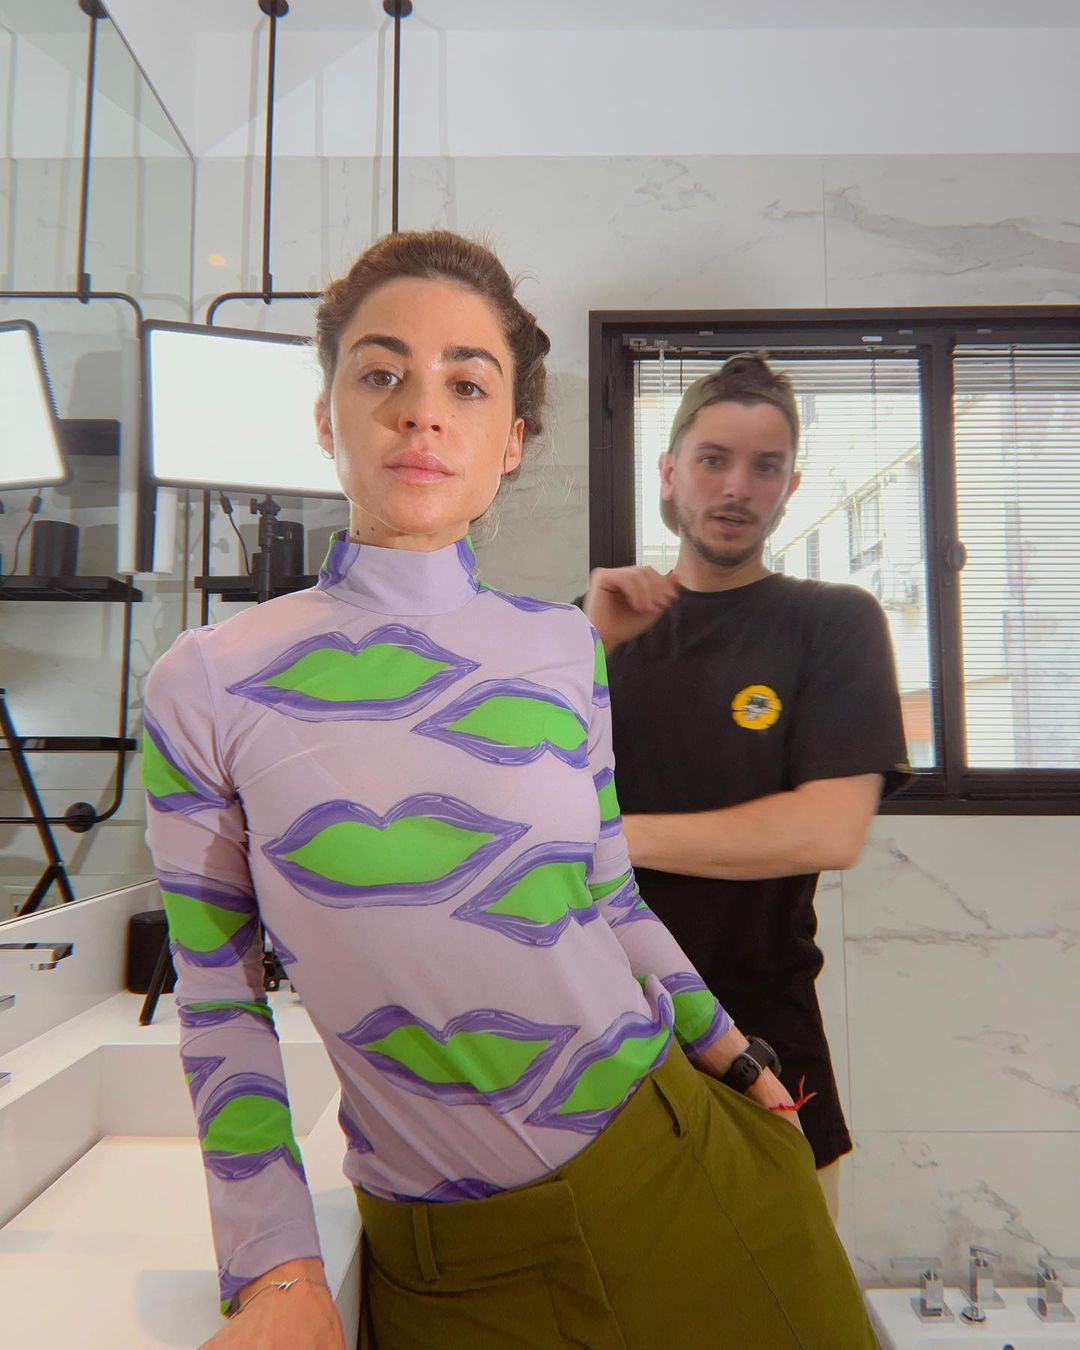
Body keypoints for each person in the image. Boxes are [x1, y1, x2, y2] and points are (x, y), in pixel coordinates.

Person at [143, 234, 877, 1350]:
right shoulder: (208, 680)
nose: (421, 411)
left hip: (682, 1163)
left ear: (512, 441)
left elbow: (611, 893)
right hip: (454, 1264)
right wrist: (276, 1268)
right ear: (327, 416)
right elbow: (217, 999)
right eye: (380, 373)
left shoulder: (559, 645)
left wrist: (733, 1052)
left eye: (468, 385)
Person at [584, 353, 911, 1221]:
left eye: (765, 467)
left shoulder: (831, 622)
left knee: (788, 1291)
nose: (737, 487)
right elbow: (508, 794)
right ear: (669, 472)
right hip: (603, 1039)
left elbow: (828, 829)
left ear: (790, 487)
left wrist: (612, 838)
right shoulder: (597, 629)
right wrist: (586, 643)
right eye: (713, 459)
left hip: (767, 1034)